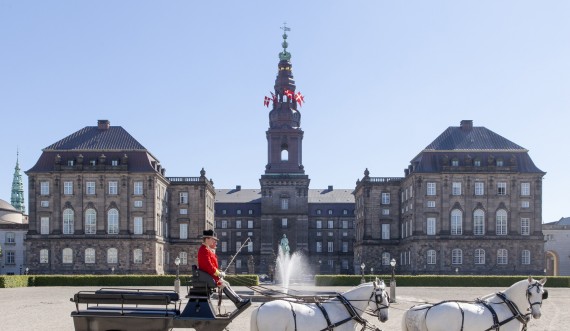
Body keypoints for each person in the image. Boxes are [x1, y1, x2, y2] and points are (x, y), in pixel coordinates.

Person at [197, 229, 250, 309]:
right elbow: (208, 266)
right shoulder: (204, 250)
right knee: (223, 284)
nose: (213, 241)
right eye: (212, 239)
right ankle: (238, 302)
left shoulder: (206, 249)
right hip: (208, 277)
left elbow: (211, 266)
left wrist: (219, 272)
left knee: (226, 284)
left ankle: (238, 300)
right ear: (207, 239)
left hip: (210, 276)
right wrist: (219, 273)